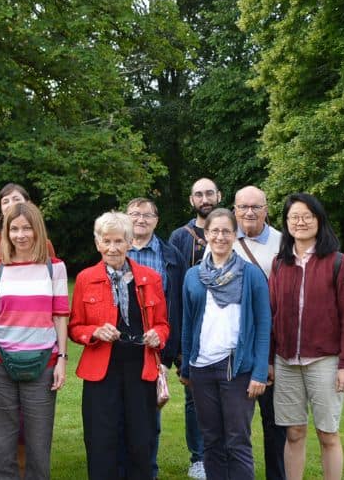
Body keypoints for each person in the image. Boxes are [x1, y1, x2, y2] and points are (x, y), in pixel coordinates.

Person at [0, 201, 70, 480]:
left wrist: (62, 360)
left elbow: (60, 316)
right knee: (2, 445)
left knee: (39, 447)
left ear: (37, 230)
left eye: (27, 228)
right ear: (6, 233)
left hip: (43, 365)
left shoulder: (55, 268)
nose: (20, 235)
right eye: (14, 229)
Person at [71, 211, 170, 480]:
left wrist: (157, 336)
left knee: (140, 441)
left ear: (129, 242)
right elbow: (75, 327)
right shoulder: (85, 278)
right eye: (107, 241)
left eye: (119, 241)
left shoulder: (150, 278)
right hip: (101, 373)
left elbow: (163, 324)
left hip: (140, 371)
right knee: (101, 441)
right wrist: (94, 331)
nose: (113, 248)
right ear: (98, 244)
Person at [269, 193, 344, 480]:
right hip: (286, 362)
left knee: (327, 433)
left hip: (325, 361)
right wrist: (269, 360)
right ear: (286, 223)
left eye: (307, 216)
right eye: (294, 217)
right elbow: (272, 313)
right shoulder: (279, 264)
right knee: (294, 432)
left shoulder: (339, 262)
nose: (300, 222)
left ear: (319, 220)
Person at [181, 208, 271, 480]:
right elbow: (188, 323)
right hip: (201, 368)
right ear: (206, 234)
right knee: (211, 440)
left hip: (237, 368)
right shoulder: (193, 275)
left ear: (235, 235)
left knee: (237, 440)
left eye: (226, 231)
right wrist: (186, 368)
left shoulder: (251, 275)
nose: (220, 237)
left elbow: (264, 326)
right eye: (215, 231)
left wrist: (259, 373)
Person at [124, 198, 185, 478]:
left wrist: (172, 350)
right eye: (135, 214)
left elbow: (178, 303)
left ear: (156, 220)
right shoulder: (115, 249)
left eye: (147, 215)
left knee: (150, 414)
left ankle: (147, 470)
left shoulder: (171, 256)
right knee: (120, 411)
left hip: (156, 345)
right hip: (120, 345)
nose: (140, 219)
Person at [232, 186, 287, 480]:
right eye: (243, 207)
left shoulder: (283, 243)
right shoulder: (222, 239)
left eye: (256, 207)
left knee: (275, 422)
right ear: (234, 210)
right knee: (234, 422)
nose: (249, 212)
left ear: (266, 209)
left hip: (273, 344)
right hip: (234, 347)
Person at [168, 177, 220, 479]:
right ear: (191, 200)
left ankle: (224, 454)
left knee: (229, 396)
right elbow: (174, 290)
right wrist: (178, 344)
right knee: (193, 397)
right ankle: (199, 458)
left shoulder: (230, 230)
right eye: (198, 194)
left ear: (219, 195)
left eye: (209, 193)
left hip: (225, 327)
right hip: (193, 328)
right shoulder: (179, 237)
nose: (204, 199)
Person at [0, 183, 56, 271]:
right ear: (1, 209)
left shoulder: (44, 244)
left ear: (28, 203)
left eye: (16, 199)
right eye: (5, 201)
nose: (11, 204)